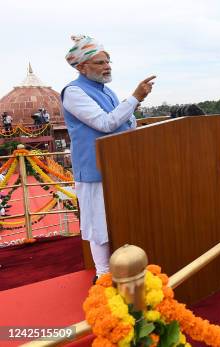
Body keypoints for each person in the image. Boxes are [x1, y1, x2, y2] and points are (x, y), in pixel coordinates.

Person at [61, 35, 155, 280]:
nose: (108, 66)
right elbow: (106, 123)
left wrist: (129, 108)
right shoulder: (73, 92)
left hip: (120, 167)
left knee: (122, 220)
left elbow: (128, 123)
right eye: (101, 63)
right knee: (99, 227)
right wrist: (135, 99)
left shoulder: (108, 90)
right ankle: (102, 277)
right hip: (94, 169)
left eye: (108, 61)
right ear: (82, 67)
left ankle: (125, 270)